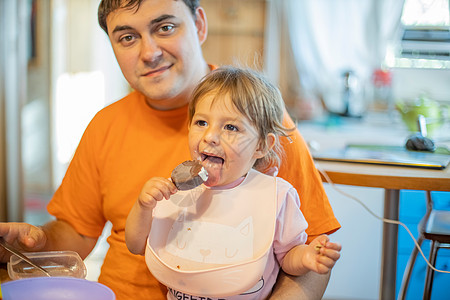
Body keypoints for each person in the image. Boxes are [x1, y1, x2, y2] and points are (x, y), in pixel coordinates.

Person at [0, 0, 340, 299]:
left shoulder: (257, 121)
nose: (149, 53)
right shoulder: (105, 125)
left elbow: (310, 251)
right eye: (127, 37)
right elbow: (77, 231)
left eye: (165, 27)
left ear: (199, 25)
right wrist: (36, 242)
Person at [125, 66, 342, 300]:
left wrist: (307, 258)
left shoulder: (275, 197)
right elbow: (136, 245)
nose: (209, 136)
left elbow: (287, 256)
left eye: (230, 127)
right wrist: (143, 207)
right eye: (200, 122)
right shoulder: (176, 191)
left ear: (261, 146)